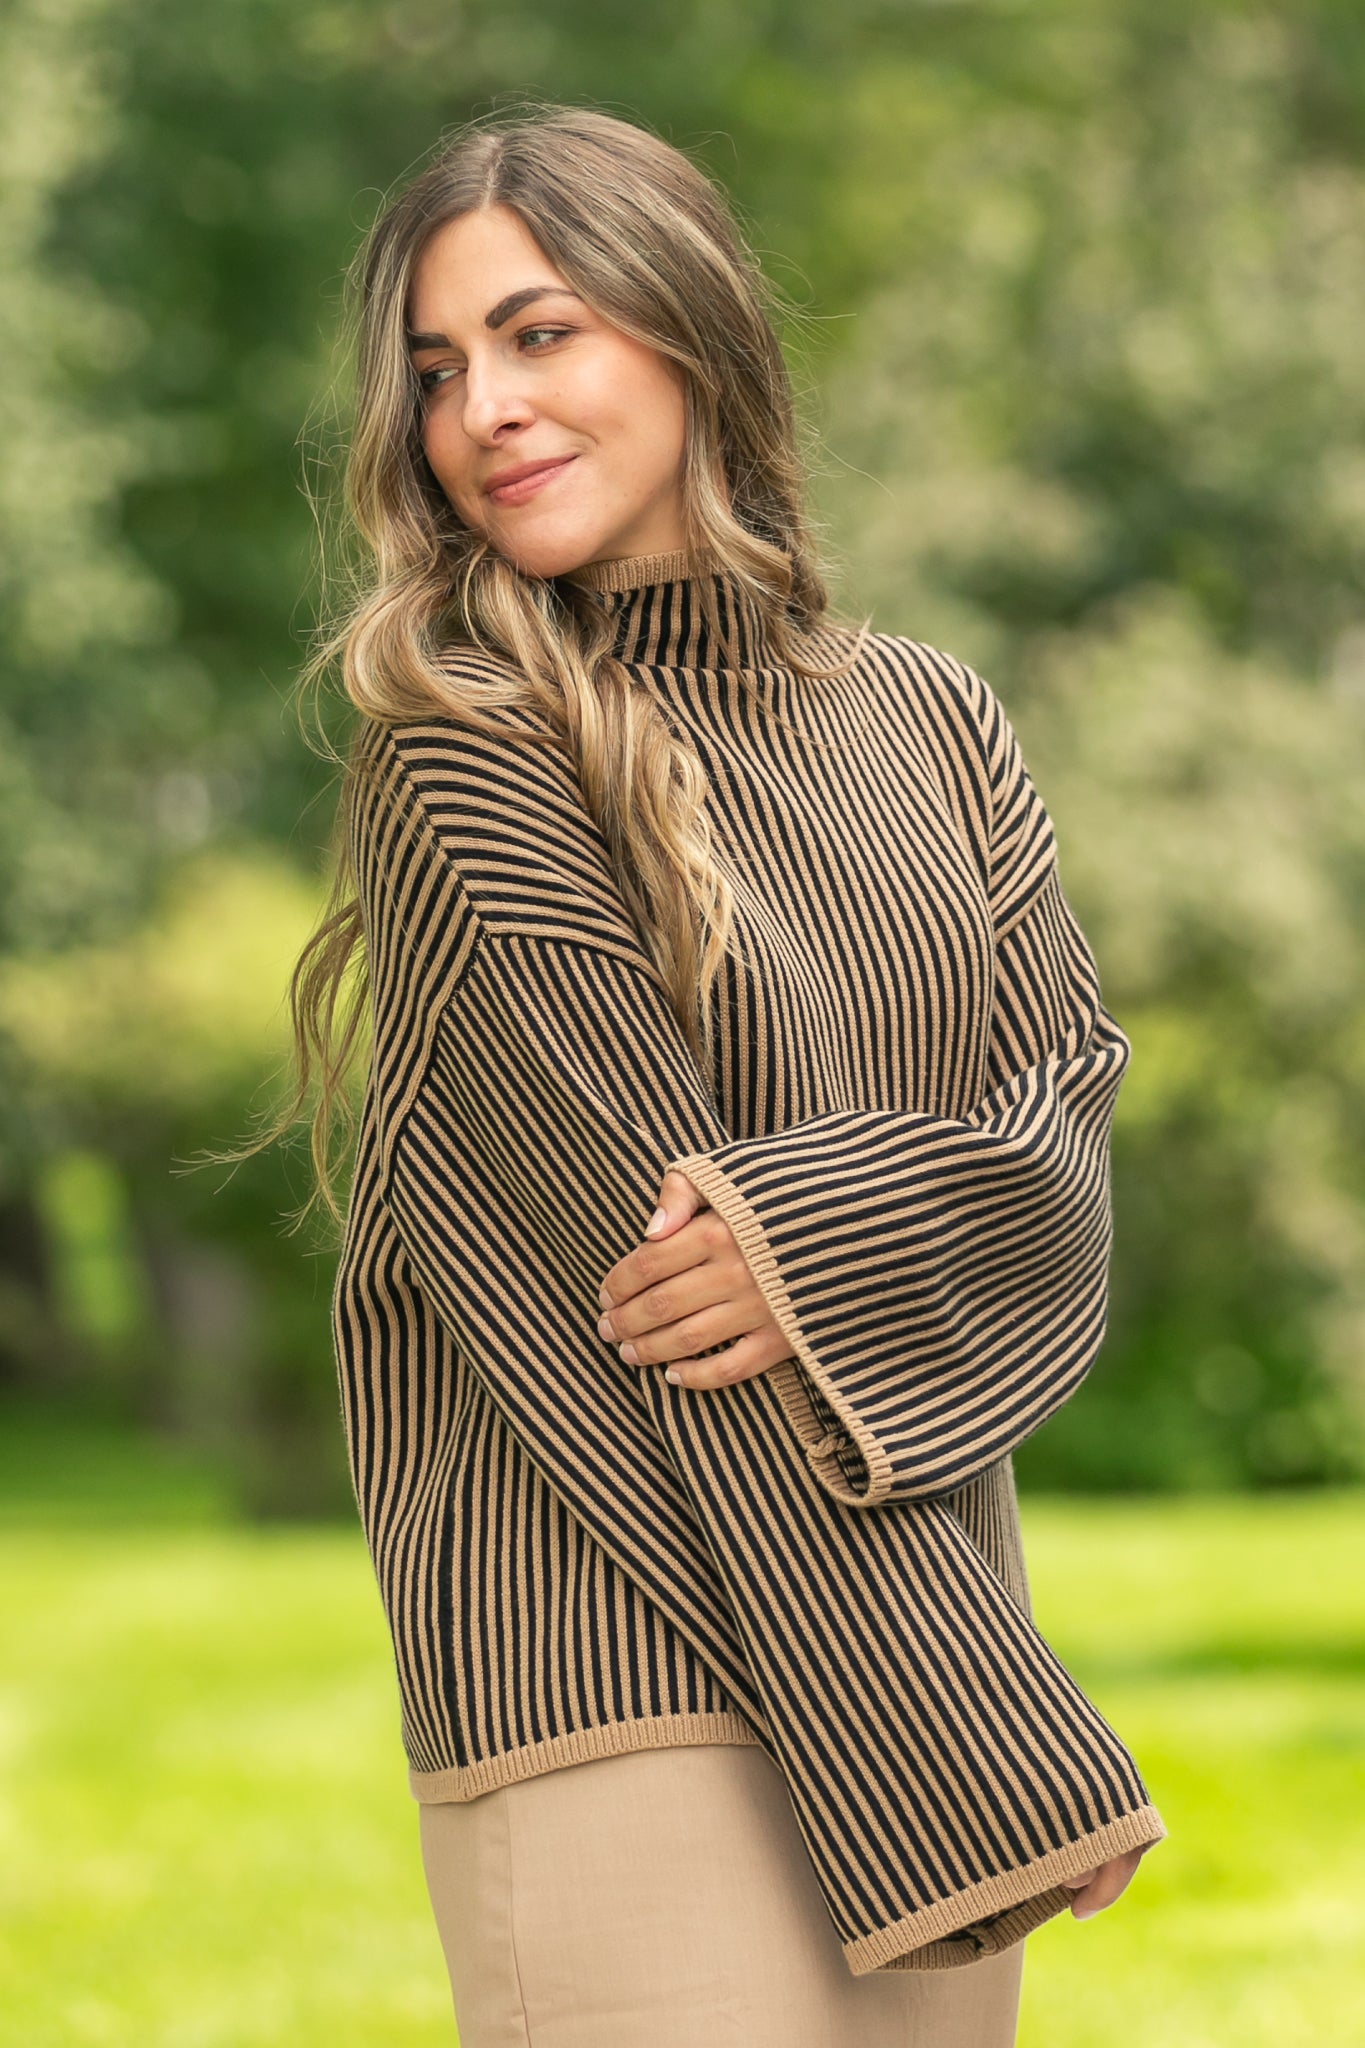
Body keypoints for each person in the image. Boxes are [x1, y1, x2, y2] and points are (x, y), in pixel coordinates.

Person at [282, 100, 1165, 2047]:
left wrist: (806, 1232)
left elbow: (1062, 1143)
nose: (481, 409)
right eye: (435, 369)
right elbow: (658, 1291)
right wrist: (986, 1726)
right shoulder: (467, 751)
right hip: (630, 1694)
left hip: (925, 1651)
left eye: (539, 333)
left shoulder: (931, 719)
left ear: (688, 327)